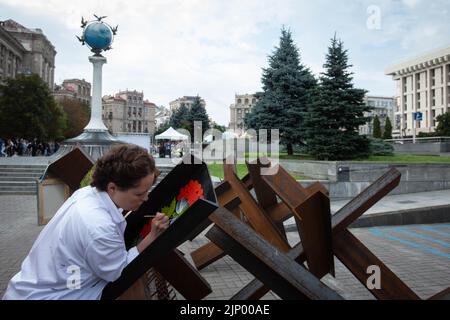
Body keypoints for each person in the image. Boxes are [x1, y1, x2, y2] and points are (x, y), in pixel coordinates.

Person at [2, 144, 169, 300]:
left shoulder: (87, 193)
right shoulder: (100, 227)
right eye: (139, 194)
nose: (146, 198)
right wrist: (152, 236)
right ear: (112, 188)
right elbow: (119, 271)